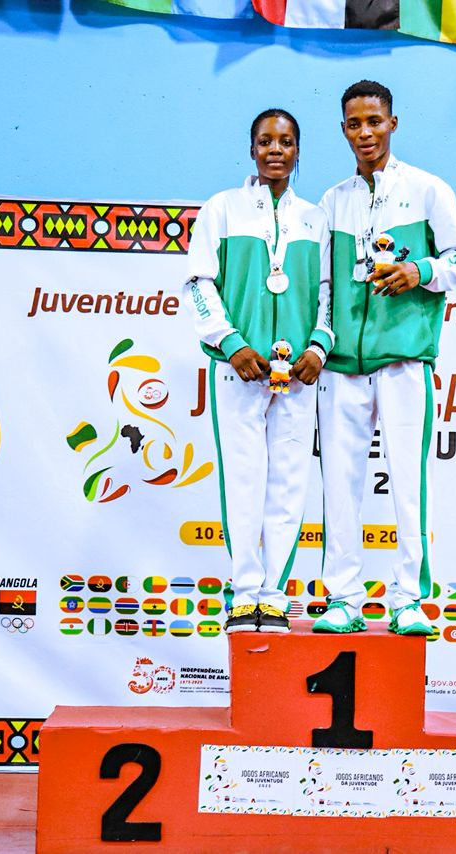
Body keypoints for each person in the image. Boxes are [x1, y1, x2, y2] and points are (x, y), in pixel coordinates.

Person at [313, 80, 456, 636]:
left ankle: (410, 598)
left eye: (374, 122)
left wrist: (420, 271)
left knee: (408, 481)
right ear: (344, 130)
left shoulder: (428, 190)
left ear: (393, 123)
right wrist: (321, 342)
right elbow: (326, 288)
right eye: (355, 124)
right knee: (340, 482)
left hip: (404, 360)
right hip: (341, 368)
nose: (365, 133)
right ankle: (343, 598)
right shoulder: (333, 201)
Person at [183, 108, 333, 634]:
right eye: (266, 141)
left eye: (287, 141)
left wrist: (319, 345)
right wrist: (229, 343)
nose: (276, 150)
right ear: (251, 149)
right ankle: (244, 593)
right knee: (244, 480)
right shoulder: (221, 210)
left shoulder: (316, 220)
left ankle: (273, 595)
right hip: (239, 370)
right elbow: (199, 284)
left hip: (297, 375)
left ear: (297, 151)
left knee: (290, 483)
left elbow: (328, 294)